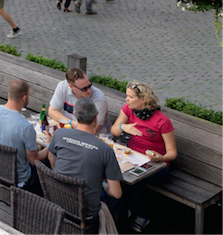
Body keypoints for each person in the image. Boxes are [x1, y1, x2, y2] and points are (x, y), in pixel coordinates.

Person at [48, 98, 123, 233]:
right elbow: (116, 193)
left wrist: (57, 174)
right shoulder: (105, 150)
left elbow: (50, 155)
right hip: (86, 215)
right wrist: (102, 184)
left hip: (57, 202)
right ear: (96, 118)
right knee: (119, 199)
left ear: (75, 116)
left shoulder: (59, 134)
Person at [111, 81, 176, 232]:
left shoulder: (162, 121)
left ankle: (142, 216)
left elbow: (172, 153)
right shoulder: (128, 109)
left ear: (143, 100)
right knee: (115, 172)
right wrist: (123, 127)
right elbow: (114, 130)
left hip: (157, 165)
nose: (126, 99)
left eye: (130, 96)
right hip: (133, 158)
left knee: (134, 180)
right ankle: (123, 210)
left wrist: (159, 157)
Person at [0, 79, 47, 194]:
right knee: (47, 164)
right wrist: (50, 146)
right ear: (24, 98)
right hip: (19, 181)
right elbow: (34, 160)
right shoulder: (26, 127)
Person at [48, 68, 110, 133]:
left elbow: (93, 130)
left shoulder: (99, 98)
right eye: (84, 89)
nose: (89, 90)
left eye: (89, 85)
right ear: (71, 86)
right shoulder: (62, 87)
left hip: (96, 137)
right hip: (70, 131)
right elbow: (52, 111)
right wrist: (72, 122)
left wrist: (73, 124)